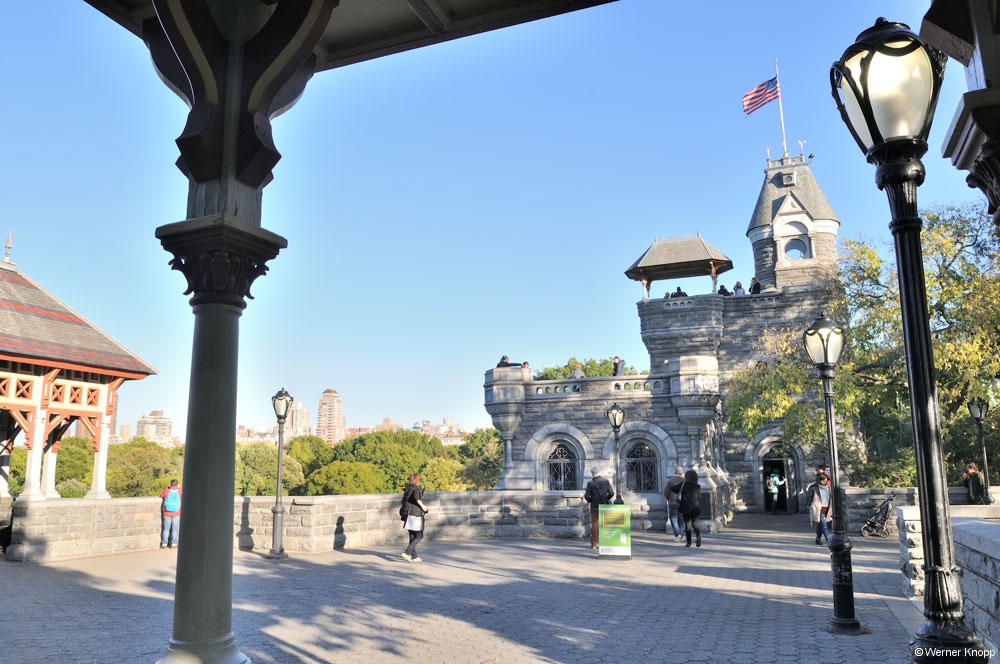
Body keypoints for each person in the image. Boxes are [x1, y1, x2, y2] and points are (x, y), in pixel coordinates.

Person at [583, 467, 614, 549]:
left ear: (592, 474)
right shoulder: (606, 481)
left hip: (595, 506)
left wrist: (591, 500)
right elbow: (611, 493)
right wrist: (606, 498)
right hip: (604, 506)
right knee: (605, 524)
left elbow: (586, 496)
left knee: (595, 525)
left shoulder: (590, 483)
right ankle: (607, 543)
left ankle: (594, 544)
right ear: (599, 472)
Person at [401, 473, 429, 562]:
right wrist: (424, 507)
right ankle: (407, 552)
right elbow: (417, 499)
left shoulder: (408, 489)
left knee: (412, 536)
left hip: (408, 515)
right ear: (417, 480)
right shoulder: (417, 489)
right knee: (419, 536)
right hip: (415, 515)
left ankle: (414, 556)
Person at [806, 472, 833, 545]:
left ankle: (818, 539)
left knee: (820, 524)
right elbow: (808, 497)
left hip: (827, 509)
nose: (825, 481)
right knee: (824, 525)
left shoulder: (828, 487)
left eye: (826, 480)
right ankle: (829, 541)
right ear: (819, 480)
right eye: (823, 480)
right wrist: (811, 505)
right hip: (819, 509)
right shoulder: (814, 488)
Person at [678, 469, 702, 547]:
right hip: (695, 509)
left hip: (686, 509)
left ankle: (689, 542)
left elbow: (679, 495)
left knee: (687, 526)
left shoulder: (684, 486)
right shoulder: (697, 487)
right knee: (695, 524)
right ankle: (698, 536)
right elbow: (699, 497)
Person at [663, 466, 685, 542]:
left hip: (672, 502)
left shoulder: (670, 481)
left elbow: (666, 492)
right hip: (682, 503)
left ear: (675, 472)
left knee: (673, 519)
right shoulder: (684, 480)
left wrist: (668, 498)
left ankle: (677, 534)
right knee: (681, 519)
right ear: (681, 472)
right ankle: (681, 535)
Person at [160, 479, 182, 550]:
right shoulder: (180, 491)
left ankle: (164, 544)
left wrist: (168, 487)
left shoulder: (167, 490)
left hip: (167, 513)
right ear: (177, 484)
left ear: (170, 484)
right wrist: (180, 487)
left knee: (166, 529)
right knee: (175, 529)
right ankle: (173, 544)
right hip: (176, 513)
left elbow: (161, 495)